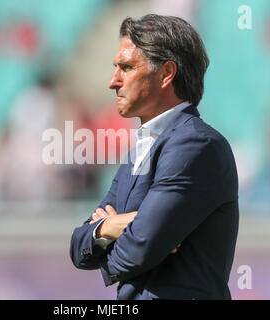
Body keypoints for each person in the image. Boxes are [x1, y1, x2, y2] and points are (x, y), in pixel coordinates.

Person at [70, 14, 239, 300]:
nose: (113, 81)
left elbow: (139, 248)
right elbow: (79, 246)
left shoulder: (196, 145)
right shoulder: (143, 146)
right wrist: (112, 225)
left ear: (166, 73)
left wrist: (114, 233)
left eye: (127, 67)